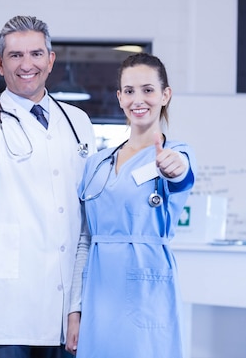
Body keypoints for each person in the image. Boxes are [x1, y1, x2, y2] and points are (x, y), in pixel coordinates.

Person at [0, 15, 96, 358]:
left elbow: (85, 221)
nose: (26, 65)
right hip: (6, 308)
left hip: (64, 306)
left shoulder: (77, 122)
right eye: (15, 55)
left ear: (50, 60)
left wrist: (78, 304)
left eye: (36, 54)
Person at [65, 53, 196, 358]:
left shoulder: (176, 152)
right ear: (120, 98)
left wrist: (173, 167)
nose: (139, 99)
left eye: (148, 90)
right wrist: (75, 310)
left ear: (166, 95)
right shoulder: (97, 163)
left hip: (146, 293)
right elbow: (85, 240)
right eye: (130, 91)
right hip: (98, 293)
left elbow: (182, 173)